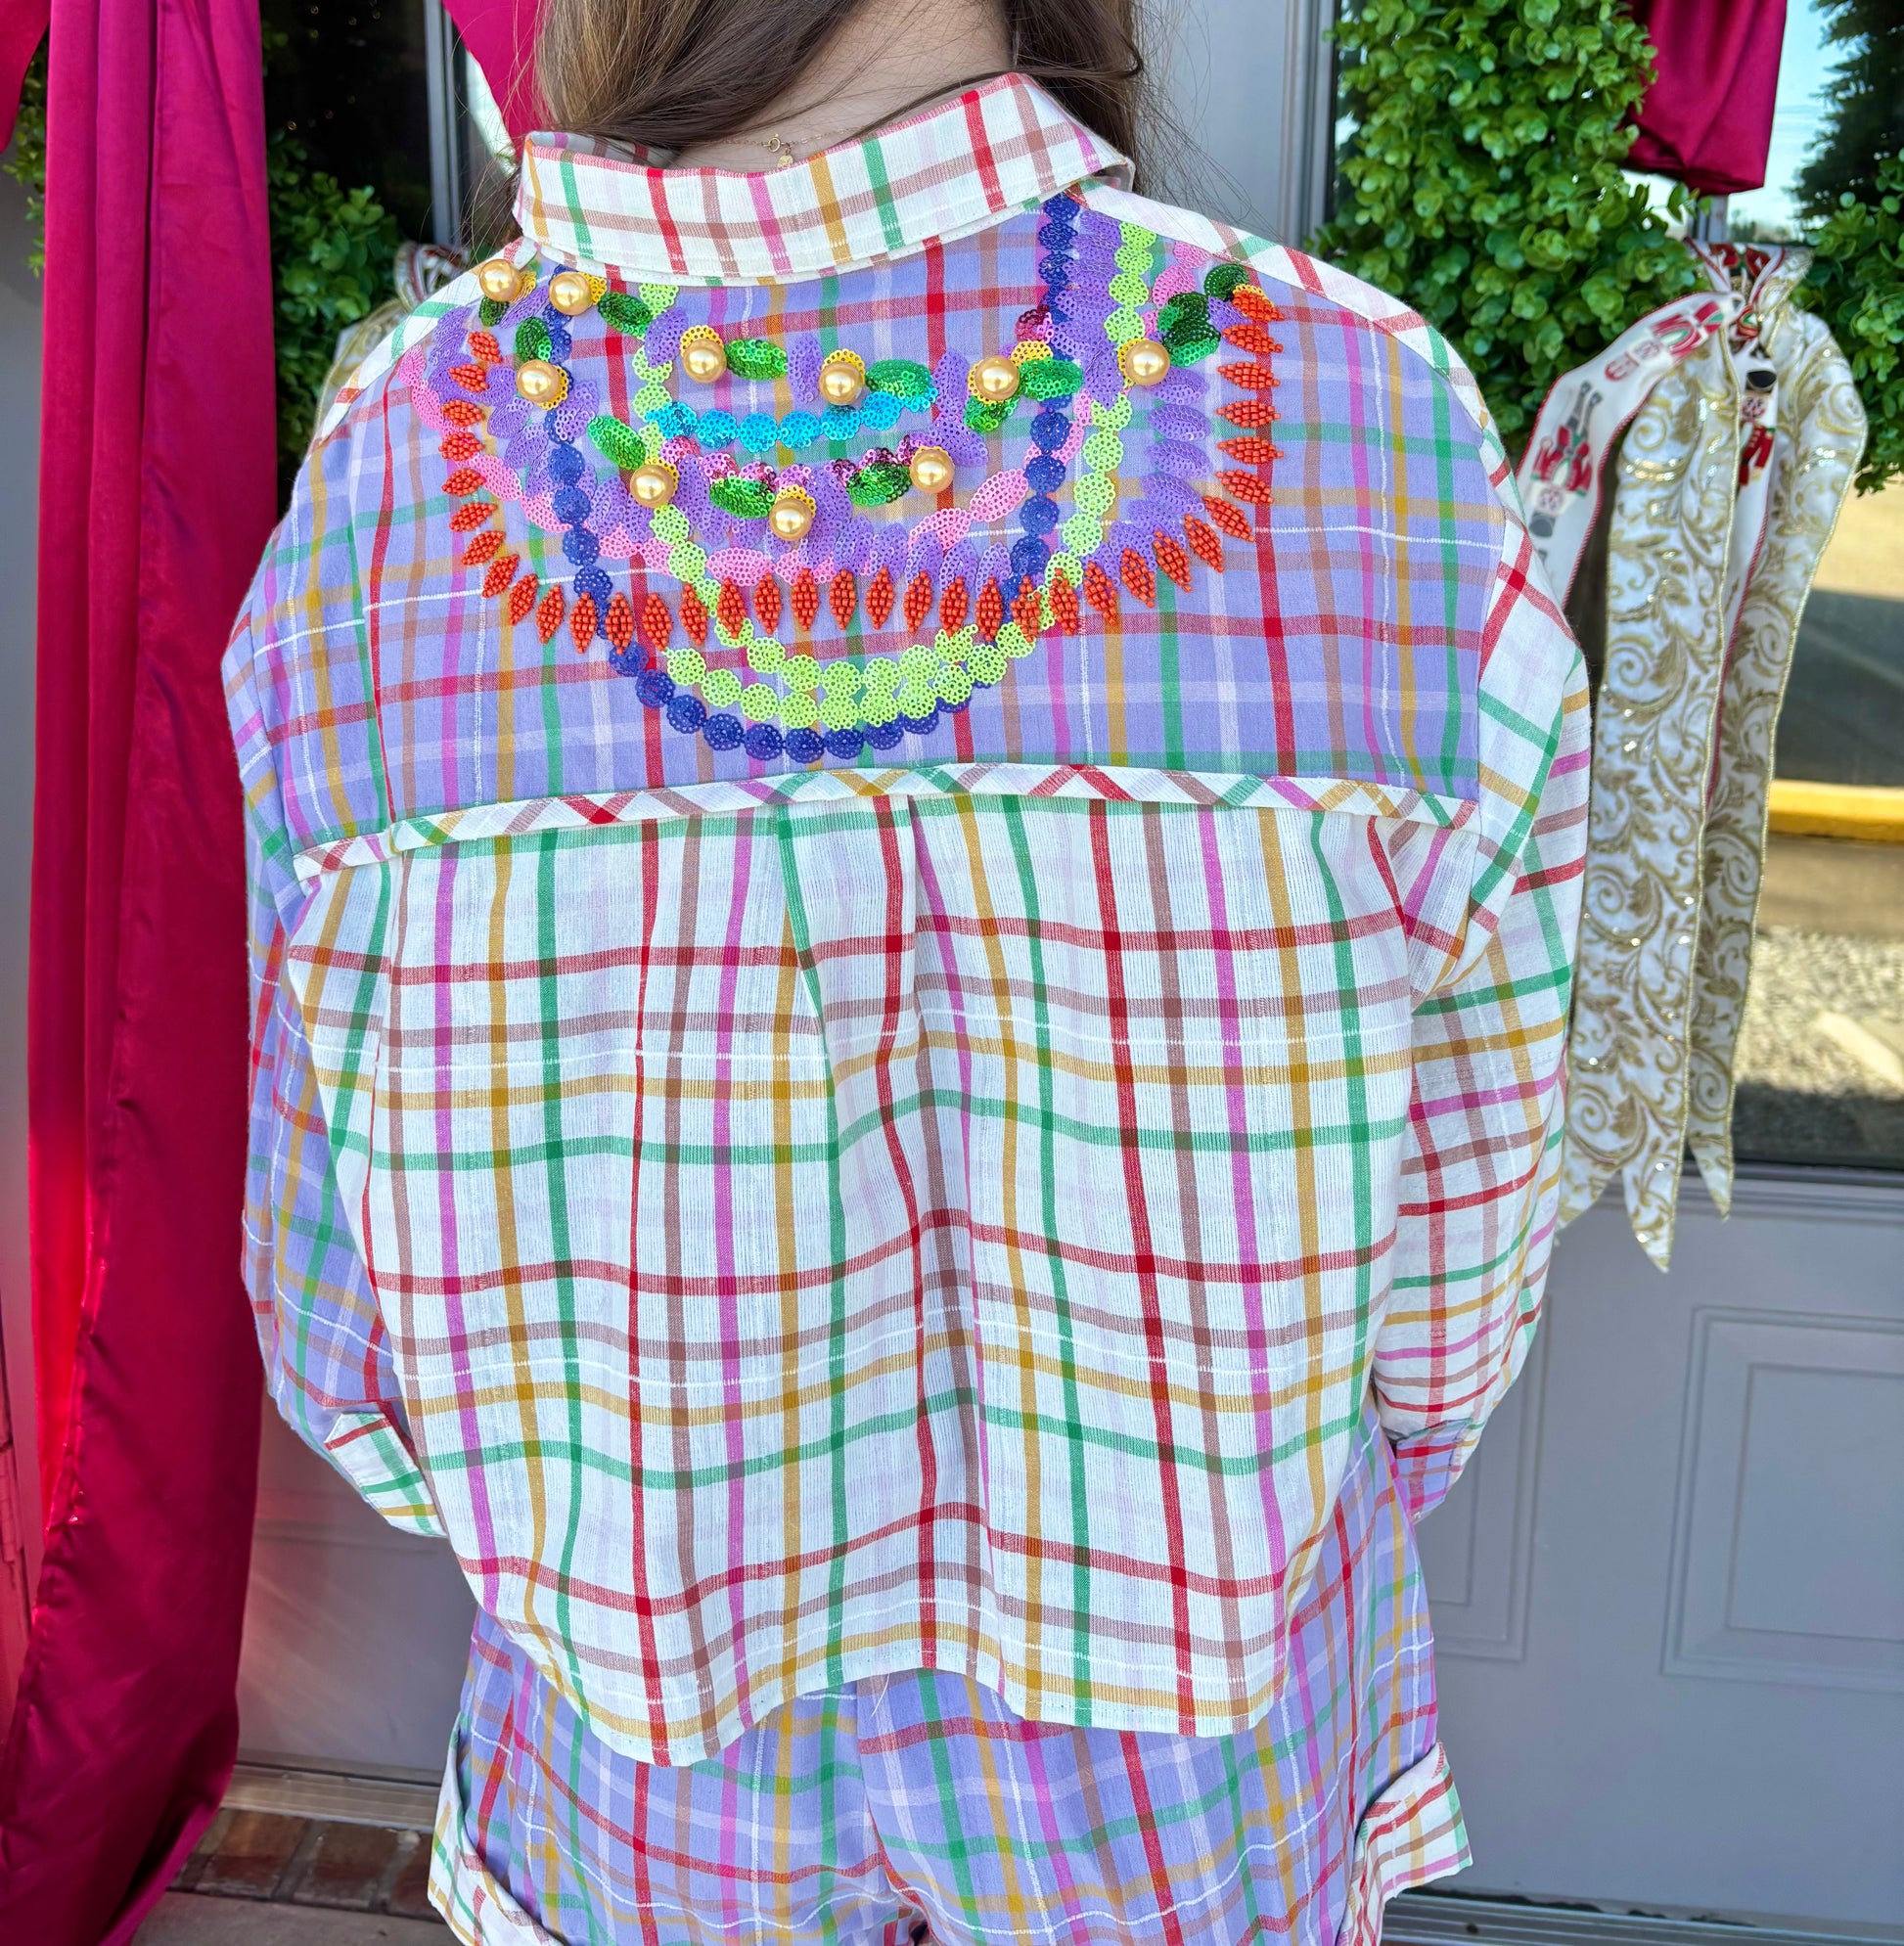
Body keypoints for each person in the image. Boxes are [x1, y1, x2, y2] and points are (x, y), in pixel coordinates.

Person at [224, 0, 1589, 1939]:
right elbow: (1457, 1250)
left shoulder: (386, 479)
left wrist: (618, 1520)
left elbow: (334, 1314)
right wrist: (1221, 1496)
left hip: (644, 1761)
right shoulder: (1367, 414)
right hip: (1184, 1773)